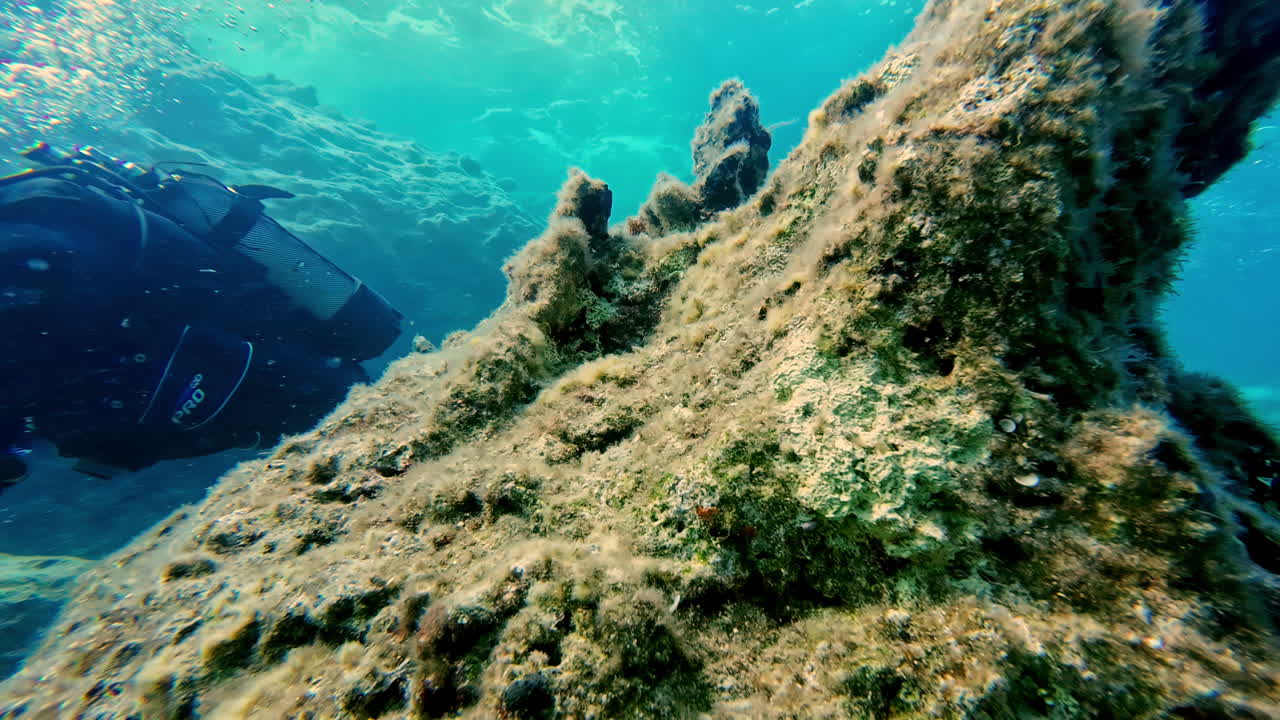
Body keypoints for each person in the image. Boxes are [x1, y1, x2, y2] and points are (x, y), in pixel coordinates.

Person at [0, 143, 403, 489]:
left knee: (338, 412)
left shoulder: (29, 240)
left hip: (254, 357)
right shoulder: (34, 220)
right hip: (230, 340)